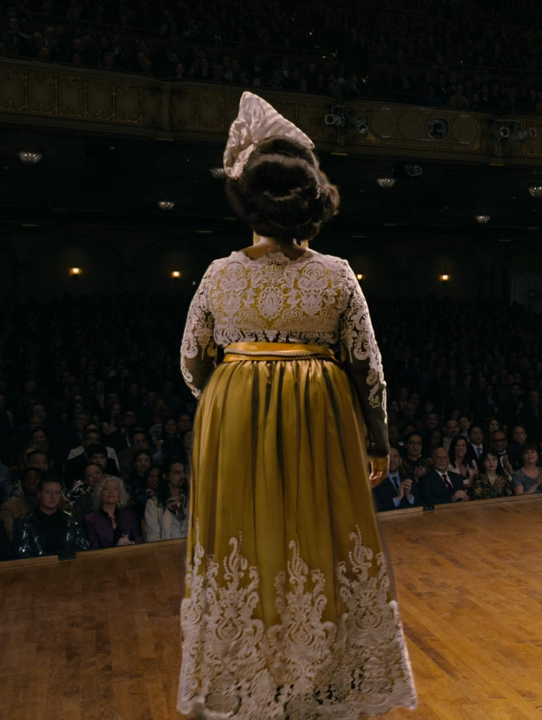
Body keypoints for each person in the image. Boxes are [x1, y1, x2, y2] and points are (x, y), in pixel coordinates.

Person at [176, 92, 415, 717]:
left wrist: (230, 398)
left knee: (245, 543)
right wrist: (378, 441)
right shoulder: (336, 274)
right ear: (312, 205)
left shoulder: (219, 274)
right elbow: (367, 367)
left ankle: (247, 678)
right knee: (321, 541)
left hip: (232, 417)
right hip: (320, 417)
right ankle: (323, 675)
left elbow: (192, 361)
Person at [14, 477, 90, 557]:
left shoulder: (71, 521)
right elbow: (23, 554)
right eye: (48, 492)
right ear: (39, 494)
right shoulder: (24, 522)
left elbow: (82, 550)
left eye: (56, 493)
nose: (52, 496)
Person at [83, 476, 143, 549]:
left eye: (115, 489)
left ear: (120, 494)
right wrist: (116, 548)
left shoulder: (128, 515)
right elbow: (94, 547)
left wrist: (130, 544)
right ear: (100, 494)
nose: (111, 492)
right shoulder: (90, 519)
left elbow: (138, 538)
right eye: (106, 489)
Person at [144, 461, 189, 542]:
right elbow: (153, 538)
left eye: (183, 472)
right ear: (166, 476)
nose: (182, 476)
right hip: (167, 547)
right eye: (177, 473)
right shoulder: (153, 504)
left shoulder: (190, 499)